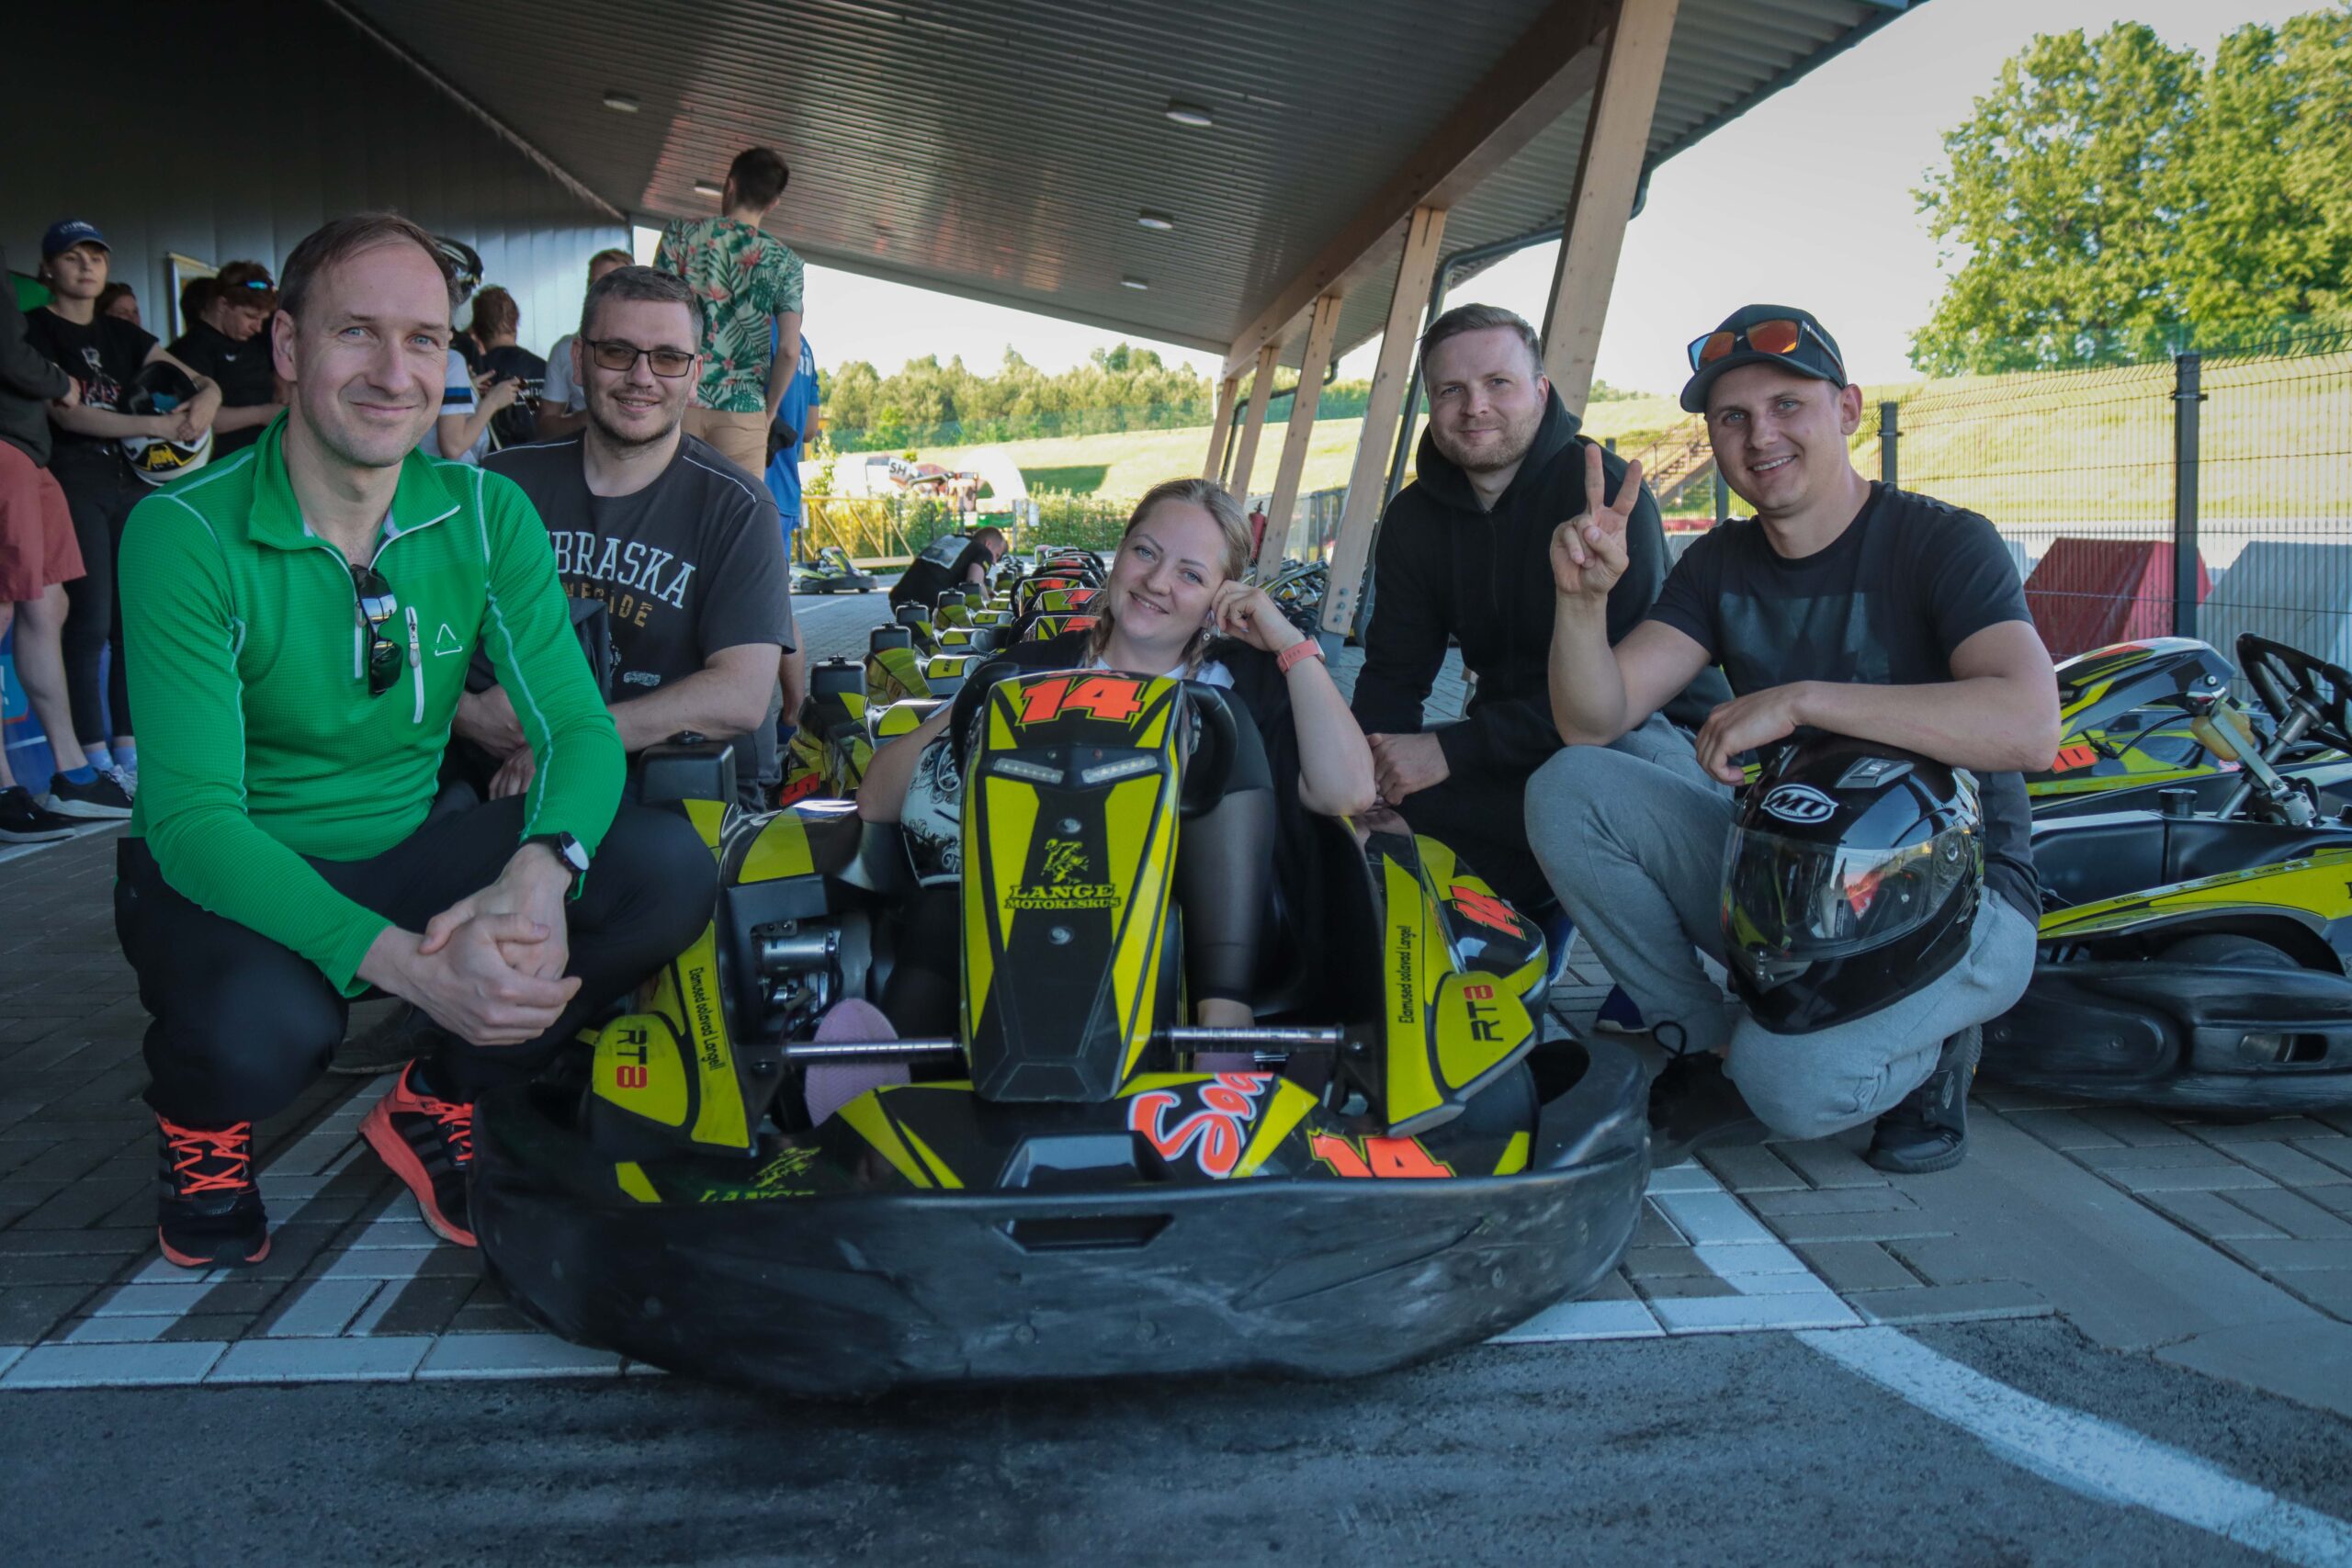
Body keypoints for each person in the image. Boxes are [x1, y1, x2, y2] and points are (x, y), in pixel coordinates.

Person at [114, 213, 711, 1269]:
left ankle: (438, 1094)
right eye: (358, 332)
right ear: (289, 345)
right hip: (233, 870)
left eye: (425, 340)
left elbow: (575, 729)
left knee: (663, 870)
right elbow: (194, 823)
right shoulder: (183, 530)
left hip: (402, 846)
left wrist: (541, 868)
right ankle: (203, 1127)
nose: (395, 374)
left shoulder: (483, 512)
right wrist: (410, 970)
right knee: (264, 1035)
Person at [1528, 304, 2058, 1171]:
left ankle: (1931, 1051)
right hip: (1793, 875)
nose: (1759, 436)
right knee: (1569, 785)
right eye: (1732, 417)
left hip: (1962, 897)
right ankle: (1709, 1045)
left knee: (1790, 1089)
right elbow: (1589, 721)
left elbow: (2031, 725)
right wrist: (1582, 603)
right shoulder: (1720, 562)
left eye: (1786, 406)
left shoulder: (1942, 541)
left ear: (1847, 410)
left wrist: (1804, 701)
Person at [862, 478, 1374, 1040]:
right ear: (1120, 553)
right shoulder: (1029, 668)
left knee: (1218, 726)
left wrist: (1289, 644)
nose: (1157, 582)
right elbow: (877, 798)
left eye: (1191, 575)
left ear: (1222, 596)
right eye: (1146, 552)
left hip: (1203, 930)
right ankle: (883, 1067)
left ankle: (1223, 1026)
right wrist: (981, 706)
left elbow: (1349, 791)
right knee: (945, 906)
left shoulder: (1244, 684)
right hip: (1034, 903)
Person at [1348, 304, 1724, 912]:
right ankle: (1517, 938)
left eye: (1498, 382)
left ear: (1542, 391)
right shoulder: (1414, 519)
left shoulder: (1603, 499)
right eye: (1451, 390)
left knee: (1586, 786)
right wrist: (1370, 771)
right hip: (1510, 739)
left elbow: (1617, 700)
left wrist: (1451, 751)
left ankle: (1651, 938)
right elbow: (1394, 672)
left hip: (1645, 733)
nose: (1475, 407)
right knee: (1347, 804)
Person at [28, 219, 221, 797]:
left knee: (128, 623)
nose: (87, 266)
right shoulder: (34, 328)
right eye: (73, 256)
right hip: (74, 481)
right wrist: (156, 425)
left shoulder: (123, 334)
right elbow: (67, 414)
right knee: (87, 622)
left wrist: (209, 398)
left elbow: (197, 380)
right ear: (47, 268)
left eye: (96, 256)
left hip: (133, 482)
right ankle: (90, 759)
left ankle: (130, 755)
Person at [0, 242, 100, 840]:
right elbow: (6, 352)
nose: (87, 264)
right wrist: (59, 379)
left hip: (29, 451)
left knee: (49, 603)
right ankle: (3, 789)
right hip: (4, 447)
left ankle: (74, 774)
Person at [657, 146, 805, 474]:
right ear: (773, 203)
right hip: (743, 412)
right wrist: (767, 413)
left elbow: (654, 315)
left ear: (730, 185)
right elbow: (789, 350)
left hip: (679, 400)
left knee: (666, 502)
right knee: (740, 507)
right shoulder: (785, 262)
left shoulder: (680, 235)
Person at [166, 261, 283, 457]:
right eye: (250, 316)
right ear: (223, 305)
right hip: (222, 460)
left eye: (262, 320)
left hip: (262, 454)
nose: (257, 327)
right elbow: (196, 417)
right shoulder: (191, 349)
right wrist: (262, 414)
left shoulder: (252, 341)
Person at [537, 247, 632, 442]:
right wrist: (592, 415)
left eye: (611, 283)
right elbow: (545, 428)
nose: (600, 291)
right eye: (594, 283)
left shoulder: (653, 345)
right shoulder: (565, 349)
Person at [468, 286, 546, 451]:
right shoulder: (546, 368)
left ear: (475, 329)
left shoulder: (473, 376)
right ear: (515, 322)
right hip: (545, 460)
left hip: (493, 463)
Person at [888, 525, 1005, 614]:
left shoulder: (949, 539)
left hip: (898, 599)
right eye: (997, 555)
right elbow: (974, 583)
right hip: (926, 605)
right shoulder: (984, 551)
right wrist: (989, 608)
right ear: (988, 544)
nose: (994, 562)